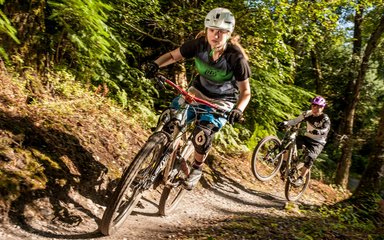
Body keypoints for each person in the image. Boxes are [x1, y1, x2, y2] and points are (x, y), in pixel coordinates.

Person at [144, 7, 252, 190]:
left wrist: (238, 109)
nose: (215, 36)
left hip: (221, 101)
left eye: (220, 32)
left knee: (202, 135)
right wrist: (156, 65)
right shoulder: (198, 45)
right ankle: (166, 156)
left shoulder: (236, 58)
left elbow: (246, 92)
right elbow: (172, 56)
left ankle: (196, 168)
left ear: (229, 34)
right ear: (206, 29)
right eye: (211, 30)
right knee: (170, 119)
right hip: (197, 92)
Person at [278, 96, 331, 187]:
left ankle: (301, 178)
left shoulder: (324, 118)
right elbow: (295, 120)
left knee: (310, 158)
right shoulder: (307, 113)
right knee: (290, 143)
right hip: (307, 137)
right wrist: (285, 123)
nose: (315, 108)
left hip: (318, 142)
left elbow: (326, 130)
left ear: (322, 108)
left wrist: (319, 131)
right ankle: (284, 163)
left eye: (319, 106)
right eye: (314, 105)